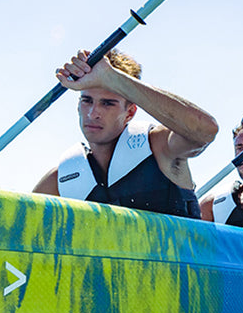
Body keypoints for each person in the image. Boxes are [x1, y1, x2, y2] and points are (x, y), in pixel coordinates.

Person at [32, 48, 218, 218]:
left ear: (130, 112)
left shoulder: (161, 148)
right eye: (87, 101)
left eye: (107, 103)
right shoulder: (59, 180)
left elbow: (205, 131)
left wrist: (111, 77)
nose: (93, 113)